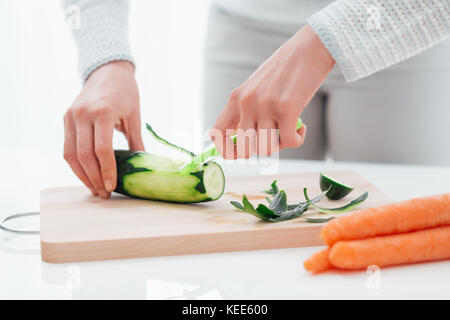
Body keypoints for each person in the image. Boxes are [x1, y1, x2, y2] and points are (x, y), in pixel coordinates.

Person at [62, 0, 450, 198]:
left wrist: (325, 40)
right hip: (242, 27)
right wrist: (106, 59)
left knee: (400, 217)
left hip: (398, 27)